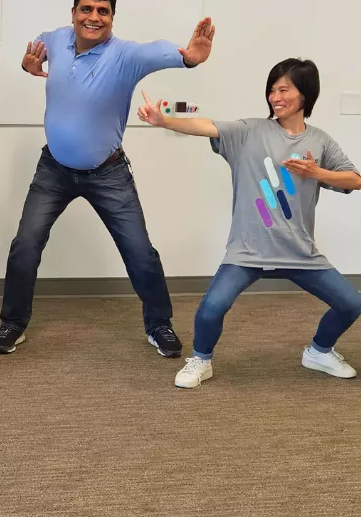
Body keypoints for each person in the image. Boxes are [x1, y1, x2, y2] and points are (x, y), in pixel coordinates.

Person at [0, 0, 216, 358]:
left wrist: (190, 57)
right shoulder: (55, 39)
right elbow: (32, 56)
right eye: (87, 9)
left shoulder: (125, 55)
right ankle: (13, 323)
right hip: (54, 170)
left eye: (103, 11)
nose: (93, 17)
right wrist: (29, 64)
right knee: (25, 245)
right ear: (74, 12)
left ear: (112, 17)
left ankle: (158, 324)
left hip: (108, 173)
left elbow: (160, 52)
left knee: (140, 252)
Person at [136, 59, 361, 388]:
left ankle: (318, 351)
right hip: (248, 249)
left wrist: (319, 174)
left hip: (299, 252)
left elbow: (355, 179)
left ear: (305, 94)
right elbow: (207, 126)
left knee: (352, 303)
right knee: (211, 308)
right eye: (272, 90)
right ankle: (201, 360)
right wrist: (164, 120)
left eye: (283, 89)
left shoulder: (321, 141)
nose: (275, 96)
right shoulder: (249, 131)